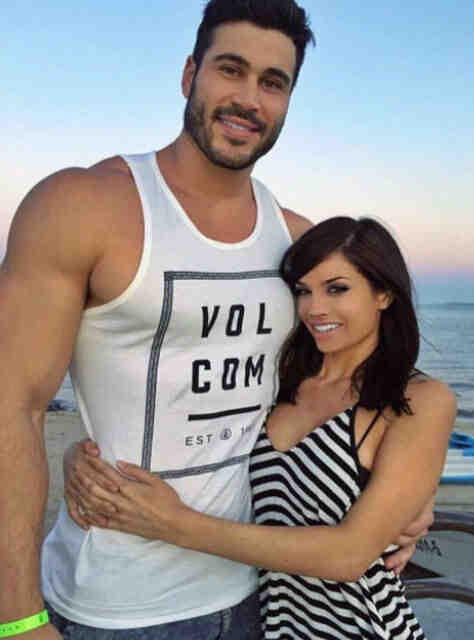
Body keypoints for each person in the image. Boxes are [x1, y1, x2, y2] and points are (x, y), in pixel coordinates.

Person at [0, 0, 431, 637]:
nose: (249, 99)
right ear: (189, 75)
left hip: (264, 593)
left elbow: (370, 380)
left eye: (273, 82)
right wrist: (16, 617)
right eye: (231, 69)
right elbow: (13, 405)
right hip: (115, 606)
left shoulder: (298, 246)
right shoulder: (84, 207)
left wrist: (409, 490)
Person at [66, 216, 456, 639]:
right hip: (271, 625)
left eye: (337, 289)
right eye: (303, 291)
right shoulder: (278, 378)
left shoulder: (419, 400)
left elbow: (349, 556)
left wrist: (175, 524)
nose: (314, 309)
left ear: (383, 293)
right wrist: (81, 458)